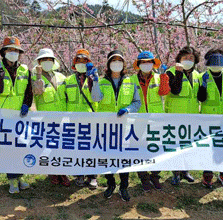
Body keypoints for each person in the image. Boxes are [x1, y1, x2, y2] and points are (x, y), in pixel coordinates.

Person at [93, 50, 141, 201]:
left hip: (124, 126)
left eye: (119, 61)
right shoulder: (101, 81)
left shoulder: (131, 81)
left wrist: (128, 109)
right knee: (108, 156)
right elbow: (96, 98)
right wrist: (94, 81)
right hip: (106, 126)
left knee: (123, 158)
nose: (116, 63)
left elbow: (137, 103)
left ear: (124, 64)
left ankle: (124, 187)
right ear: (108, 64)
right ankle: (110, 184)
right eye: (113, 61)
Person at [0, 36, 32, 194]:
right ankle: (12, 180)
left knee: (20, 147)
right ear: (4, 52)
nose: (13, 53)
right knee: (8, 149)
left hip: (20, 116)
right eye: (10, 50)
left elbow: (29, 91)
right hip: (4, 116)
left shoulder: (25, 69)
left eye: (16, 50)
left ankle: (20, 177)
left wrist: (27, 103)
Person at [57, 49, 100, 189]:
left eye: (84, 61)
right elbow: (63, 100)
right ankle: (79, 174)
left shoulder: (93, 78)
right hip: (73, 120)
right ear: (75, 64)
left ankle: (92, 176)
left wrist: (93, 80)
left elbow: (96, 97)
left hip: (90, 119)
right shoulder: (67, 80)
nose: (81, 64)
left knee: (92, 148)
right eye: (79, 61)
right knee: (77, 148)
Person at [163, 46, 204, 186]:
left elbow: (200, 95)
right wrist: (179, 73)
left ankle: (185, 171)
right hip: (175, 115)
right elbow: (175, 90)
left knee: (189, 145)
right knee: (176, 145)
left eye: (191, 58)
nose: (188, 60)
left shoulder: (198, 75)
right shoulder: (170, 72)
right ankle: (175, 172)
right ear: (179, 59)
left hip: (192, 115)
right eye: (185, 58)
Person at [130, 51, 170, 192]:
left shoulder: (159, 78)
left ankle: (155, 176)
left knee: (157, 149)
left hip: (156, 120)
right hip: (138, 120)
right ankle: (144, 177)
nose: (146, 65)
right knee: (140, 150)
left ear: (153, 64)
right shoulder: (131, 80)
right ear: (139, 65)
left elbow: (164, 92)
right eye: (143, 62)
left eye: (149, 62)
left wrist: (164, 77)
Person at [199, 49, 223, 189]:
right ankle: (207, 176)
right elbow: (201, 98)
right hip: (208, 118)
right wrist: (203, 86)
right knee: (209, 148)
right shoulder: (202, 77)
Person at [31, 48, 71, 187]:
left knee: (61, 146)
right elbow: (38, 91)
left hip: (61, 118)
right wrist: (38, 75)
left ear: (54, 62)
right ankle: (52, 172)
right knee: (48, 146)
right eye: (44, 60)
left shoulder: (61, 77)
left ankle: (62, 172)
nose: (47, 62)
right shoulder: (35, 77)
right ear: (39, 62)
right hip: (46, 119)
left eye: (50, 59)